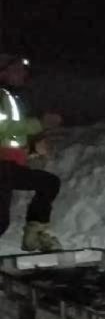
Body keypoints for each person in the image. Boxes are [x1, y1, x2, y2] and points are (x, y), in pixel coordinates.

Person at [0, 54, 63, 251]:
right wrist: (39, 124)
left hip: (9, 166)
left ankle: (34, 234)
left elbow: (13, 135)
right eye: (17, 69)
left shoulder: (12, 97)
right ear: (3, 72)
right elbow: (4, 127)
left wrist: (34, 146)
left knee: (49, 183)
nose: (23, 74)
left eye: (23, 70)